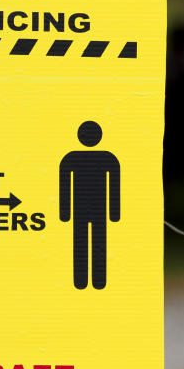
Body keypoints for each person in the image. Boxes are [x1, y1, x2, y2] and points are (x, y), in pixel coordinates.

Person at [59, 121, 120, 290]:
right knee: (89, 244)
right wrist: (114, 213)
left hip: (88, 209)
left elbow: (114, 185)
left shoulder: (72, 158)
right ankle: (86, 280)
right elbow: (64, 185)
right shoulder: (107, 158)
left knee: (91, 244)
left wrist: (65, 212)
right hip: (93, 209)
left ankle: (91, 280)